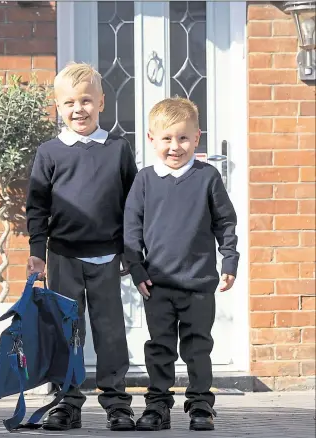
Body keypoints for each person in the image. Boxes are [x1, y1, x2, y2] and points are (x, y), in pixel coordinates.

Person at [26, 62, 138, 431]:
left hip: (107, 256)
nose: (79, 109)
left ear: (102, 102)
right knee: (66, 330)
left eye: (86, 100)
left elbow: (132, 204)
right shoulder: (50, 153)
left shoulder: (118, 149)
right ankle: (65, 402)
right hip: (62, 256)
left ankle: (117, 403)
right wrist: (37, 252)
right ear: (57, 107)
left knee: (110, 332)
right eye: (69, 102)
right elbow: (38, 206)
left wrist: (129, 249)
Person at [124, 97, 239, 431]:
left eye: (183, 138)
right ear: (151, 139)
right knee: (159, 348)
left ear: (197, 137)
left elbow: (225, 223)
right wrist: (136, 267)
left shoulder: (208, 178)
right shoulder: (144, 180)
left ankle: (201, 406)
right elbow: (131, 229)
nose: (175, 147)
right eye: (166, 139)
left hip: (199, 284)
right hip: (156, 285)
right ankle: (158, 406)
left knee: (197, 348)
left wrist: (229, 258)